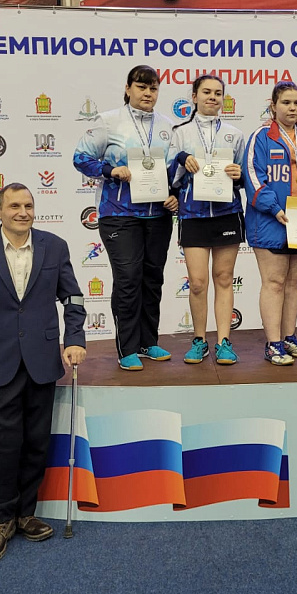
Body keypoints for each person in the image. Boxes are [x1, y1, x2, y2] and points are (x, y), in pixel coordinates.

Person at [0, 183, 86, 563]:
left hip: (41, 359)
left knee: (36, 441)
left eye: (28, 205)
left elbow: (72, 297)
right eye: (14, 206)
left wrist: (75, 339)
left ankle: (26, 514)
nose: (23, 212)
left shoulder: (55, 246)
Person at [73, 65, 178, 371]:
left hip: (157, 214)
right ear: (128, 88)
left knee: (152, 278)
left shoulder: (167, 126)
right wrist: (110, 170)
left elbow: (174, 170)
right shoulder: (108, 121)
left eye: (153, 88)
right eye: (142, 87)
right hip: (119, 214)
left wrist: (175, 195)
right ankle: (127, 347)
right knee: (129, 278)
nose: (148, 93)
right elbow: (81, 158)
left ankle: (148, 341)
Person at [244, 80, 297, 366]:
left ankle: (289, 337)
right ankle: (273, 343)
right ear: (273, 106)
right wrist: (274, 208)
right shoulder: (261, 136)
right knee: (274, 282)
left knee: (294, 282)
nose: (292, 108)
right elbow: (253, 175)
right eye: (286, 103)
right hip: (271, 219)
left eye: (296, 103)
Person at [169, 74, 245, 365]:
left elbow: (243, 178)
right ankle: (199, 340)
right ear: (194, 96)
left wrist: (238, 176)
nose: (212, 97)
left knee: (224, 278)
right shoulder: (180, 133)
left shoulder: (234, 134)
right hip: (193, 214)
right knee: (198, 283)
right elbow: (169, 176)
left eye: (217, 93)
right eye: (206, 92)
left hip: (226, 213)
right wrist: (181, 159)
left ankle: (224, 341)